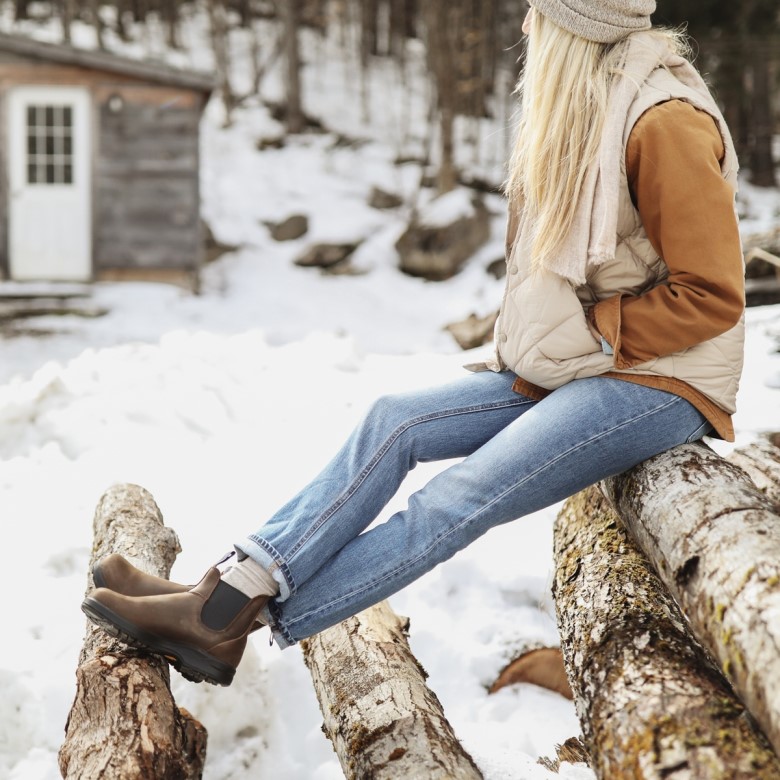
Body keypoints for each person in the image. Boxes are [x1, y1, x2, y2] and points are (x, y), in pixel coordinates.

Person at [82, 0, 745, 687]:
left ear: (576, 27)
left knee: (458, 497)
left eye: (536, 12)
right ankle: (225, 587)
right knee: (394, 420)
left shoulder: (663, 121)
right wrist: (562, 342)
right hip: (585, 360)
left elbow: (712, 294)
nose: (525, 25)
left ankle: (223, 621)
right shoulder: (596, 104)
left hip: (661, 381)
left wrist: (592, 332)